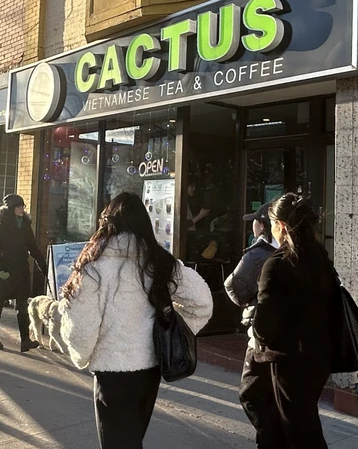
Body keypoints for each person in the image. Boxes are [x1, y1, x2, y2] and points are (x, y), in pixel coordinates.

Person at [59, 192, 214, 449]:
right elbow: (202, 303)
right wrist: (169, 330)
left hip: (112, 371)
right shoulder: (160, 262)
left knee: (117, 443)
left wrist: (80, 355)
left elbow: (81, 326)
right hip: (149, 369)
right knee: (132, 440)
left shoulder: (95, 265)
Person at [250, 193, 339, 448]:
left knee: (299, 430)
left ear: (281, 226)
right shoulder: (321, 259)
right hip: (319, 358)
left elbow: (265, 328)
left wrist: (254, 327)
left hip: (288, 363)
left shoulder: (277, 264)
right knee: (287, 424)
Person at [223, 202, 279, 443]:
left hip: (262, 333)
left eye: (255, 221)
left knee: (252, 393)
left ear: (264, 225)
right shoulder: (302, 251)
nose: (253, 226)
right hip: (293, 337)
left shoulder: (258, 253)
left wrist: (248, 303)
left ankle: (270, 438)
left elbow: (232, 285)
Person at [0, 194, 47, 351]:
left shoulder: (25, 225)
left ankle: (25, 341)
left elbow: (34, 248)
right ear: (10, 209)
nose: (21, 210)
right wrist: (2, 256)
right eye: (18, 207)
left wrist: (43, 267)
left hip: (21, 270)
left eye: (23, 207)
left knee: (22, 305)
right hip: (3, 271)